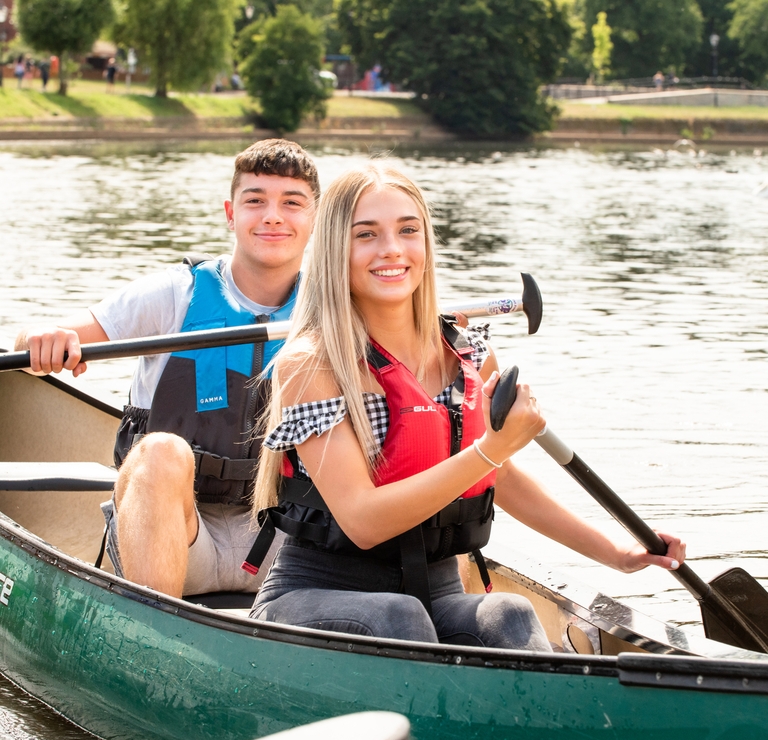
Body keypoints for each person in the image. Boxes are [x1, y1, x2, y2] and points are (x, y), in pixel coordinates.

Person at [248, 165, 686, 649]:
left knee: (511, 614)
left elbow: (502, 479)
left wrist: (617, 552)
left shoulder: (470, 353)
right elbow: (364, 521)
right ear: (335, 251)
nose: (392, 248)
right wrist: (490, 451)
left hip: (435, 593)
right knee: (399, 618)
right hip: (316, 594)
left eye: (408, 230)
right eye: (366, 235)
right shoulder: (311, 364)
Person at [15, 139, 319, 599]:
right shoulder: (173, 293)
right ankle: (158, 634)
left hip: (283, 544)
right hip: (176, 534)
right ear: (230, 213)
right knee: (160, 452)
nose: (273, 216)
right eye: (255, 201)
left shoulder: (334, 308)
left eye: (291, 203)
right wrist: (42, 339)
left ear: (315, 218)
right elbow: (36, 343)